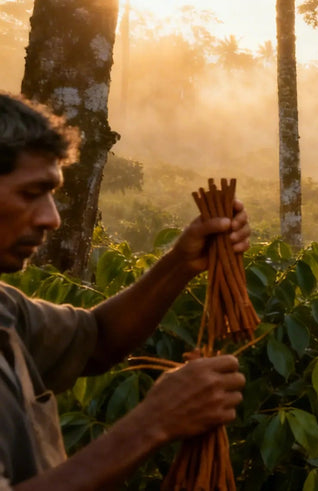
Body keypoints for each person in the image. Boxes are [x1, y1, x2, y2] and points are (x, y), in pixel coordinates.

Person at [0, 93, 249, 490]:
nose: (52, 218)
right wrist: (154, 423)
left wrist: (182, 261)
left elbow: (96, 339)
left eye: (52, 195)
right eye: (31, 193)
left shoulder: (6, 310)